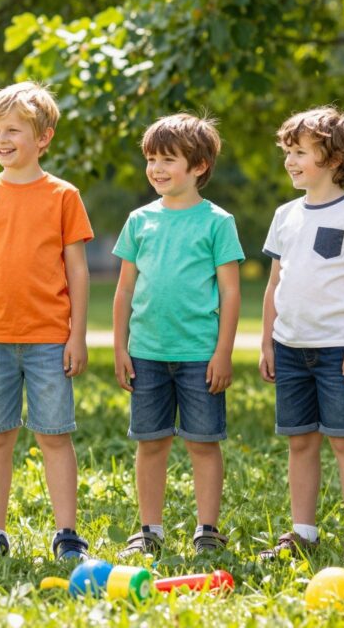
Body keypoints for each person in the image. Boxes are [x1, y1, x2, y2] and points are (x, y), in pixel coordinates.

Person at [0, 81, 93, 562]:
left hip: (50, 339)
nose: (1, 138)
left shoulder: (63, 196)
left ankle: (67, 533)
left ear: (44, 137)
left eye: (12, 129)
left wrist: (77, 335)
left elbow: (77, 270)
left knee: (54, 436)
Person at [112, 114, 243, 559]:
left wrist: (223, 353)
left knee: (203, 443)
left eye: (168, 159)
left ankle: (208, 528)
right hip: (147, 352)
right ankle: (149, 529)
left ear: (199, 166)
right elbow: (125, 289)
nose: (157, 169)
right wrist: (120, 347)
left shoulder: (217, 222)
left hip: (199, 354)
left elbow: (229, 291)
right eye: (151, 159)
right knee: (151, 442)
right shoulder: (139, 221)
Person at [257, 105, 344, 561]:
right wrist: (267, 341)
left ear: (332, 159)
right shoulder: (285, 215)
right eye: (287, 152)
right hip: (290, 349)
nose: (290, 161)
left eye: (300, 152)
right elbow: (275, 283)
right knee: (300, 440)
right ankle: (302, 532)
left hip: (337, 350)